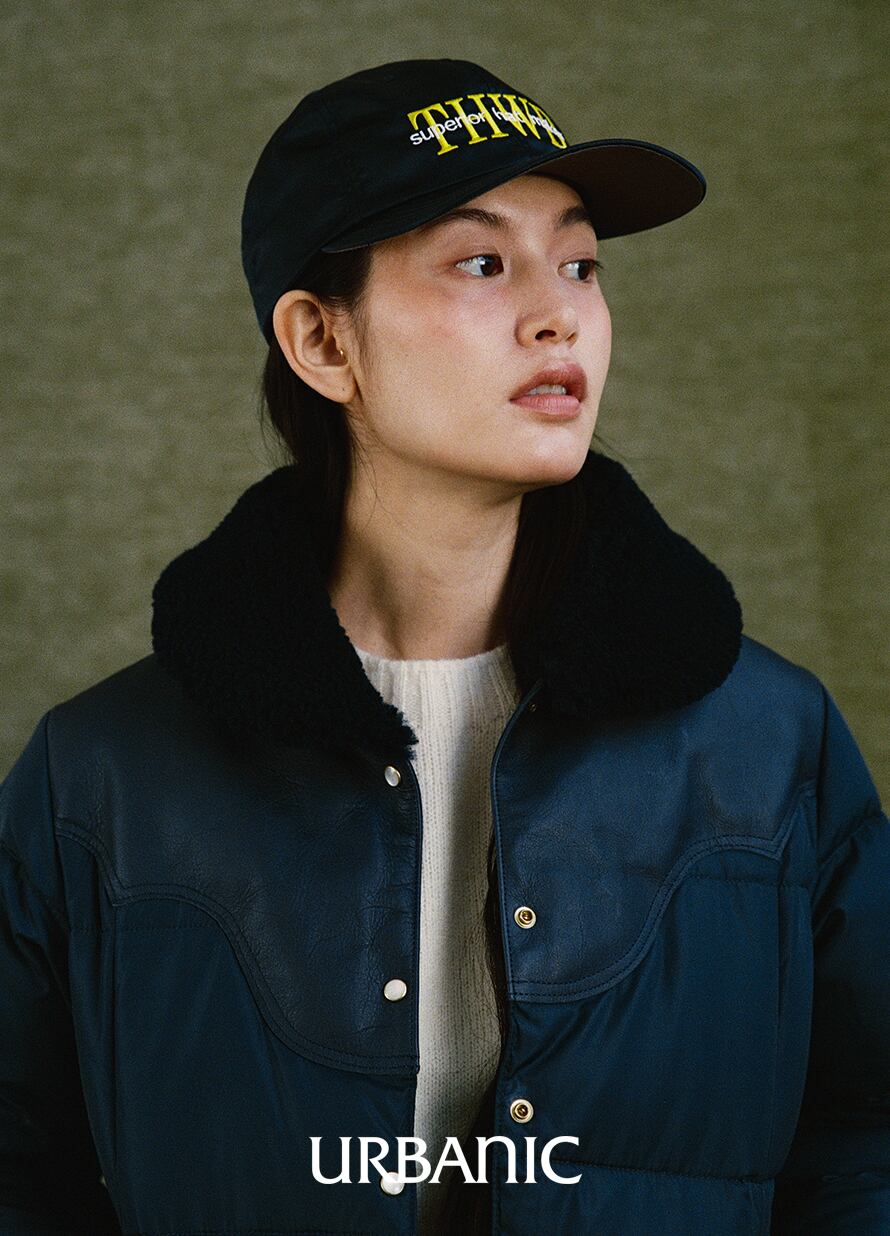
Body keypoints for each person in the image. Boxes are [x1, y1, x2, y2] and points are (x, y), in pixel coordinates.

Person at [1, 56, 887, 1236]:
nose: (557, 312)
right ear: (323, 342)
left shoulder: (768, 747)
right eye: (480, 262)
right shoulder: (100, 779)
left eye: (579, 264)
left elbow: (865, 1149)